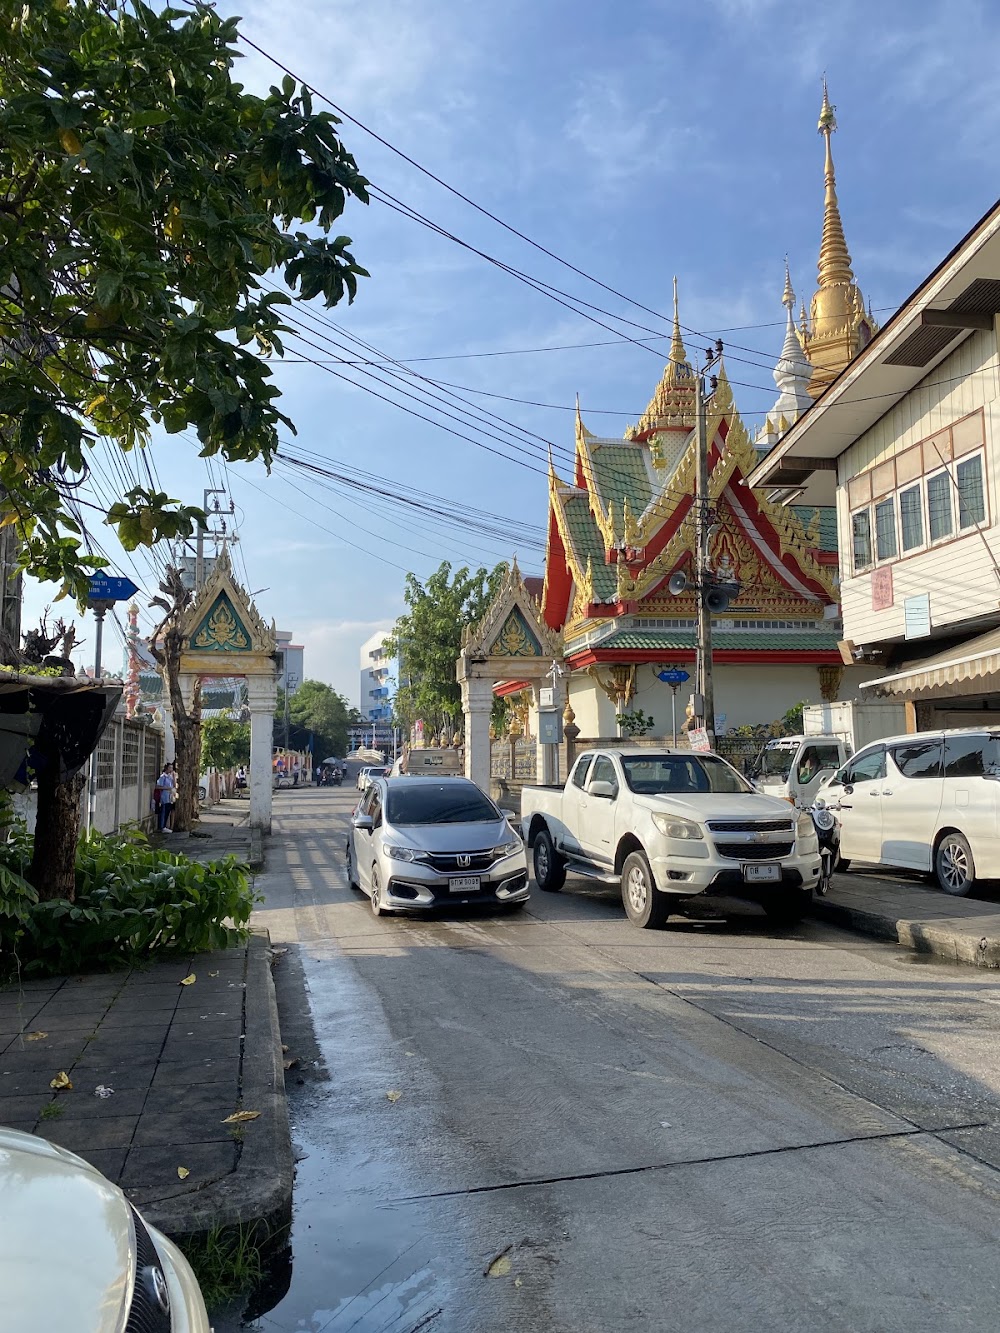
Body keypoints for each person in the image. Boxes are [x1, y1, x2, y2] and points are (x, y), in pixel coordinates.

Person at [156, 762, 176, 833]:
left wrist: (174, 777)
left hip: (169, 797)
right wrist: (166, 788)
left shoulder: (170, 777)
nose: (171, 769)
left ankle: (164, 826)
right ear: (166, 768)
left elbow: (174, 785)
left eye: (172, 768)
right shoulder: (163, 777)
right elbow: (158, 786)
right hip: (164, 797)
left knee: (167, 812)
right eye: (170, 768)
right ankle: (162, 827)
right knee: (163, 812)